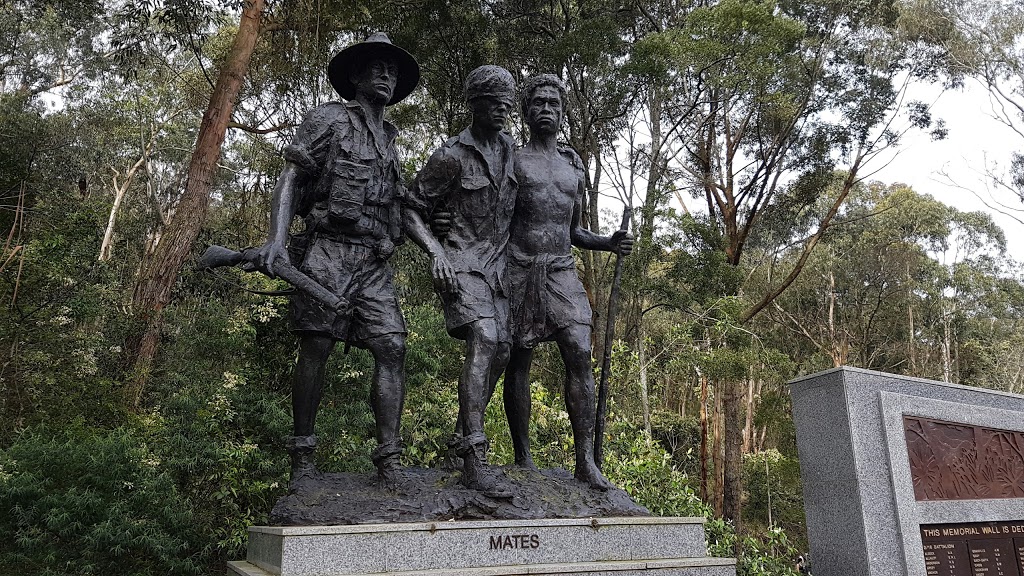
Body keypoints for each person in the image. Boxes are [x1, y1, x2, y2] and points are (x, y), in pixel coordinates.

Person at [254, 32, 419, 487]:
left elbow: (397, 206)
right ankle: (303, 458)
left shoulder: (390, 138)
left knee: (392, 346)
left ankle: (389, 460)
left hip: (374, 261)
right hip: (328, 251)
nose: (386, 75)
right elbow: (291, 177)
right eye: (377, 68)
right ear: (355, 76)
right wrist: (277, 240)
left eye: (393, 70)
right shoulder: (328, 119)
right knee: (316, 348)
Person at [502, 74, 633, 490]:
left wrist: (609, 242)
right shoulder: (512, 160)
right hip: (519, 268)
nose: (546, 110)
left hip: (561, 270)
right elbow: (492, 220)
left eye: (553, 104)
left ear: (562, 112)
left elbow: (574, 231)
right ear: (525, 112)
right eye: (538, 103)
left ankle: (585, 460)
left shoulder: (572, 166)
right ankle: (523, 456)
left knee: (578, 350)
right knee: (517, 359)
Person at [404, 65, 518, 494]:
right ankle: (474, 456)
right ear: (475, 105)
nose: (504, 112)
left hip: (499, 270)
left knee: (503, 351)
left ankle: (459, 439)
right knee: (485, 339)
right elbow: (410, 208)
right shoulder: (449, 156)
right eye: (495, 104)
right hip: (460, 262)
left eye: (508, 105)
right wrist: (435, 250)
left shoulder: (510, 151)